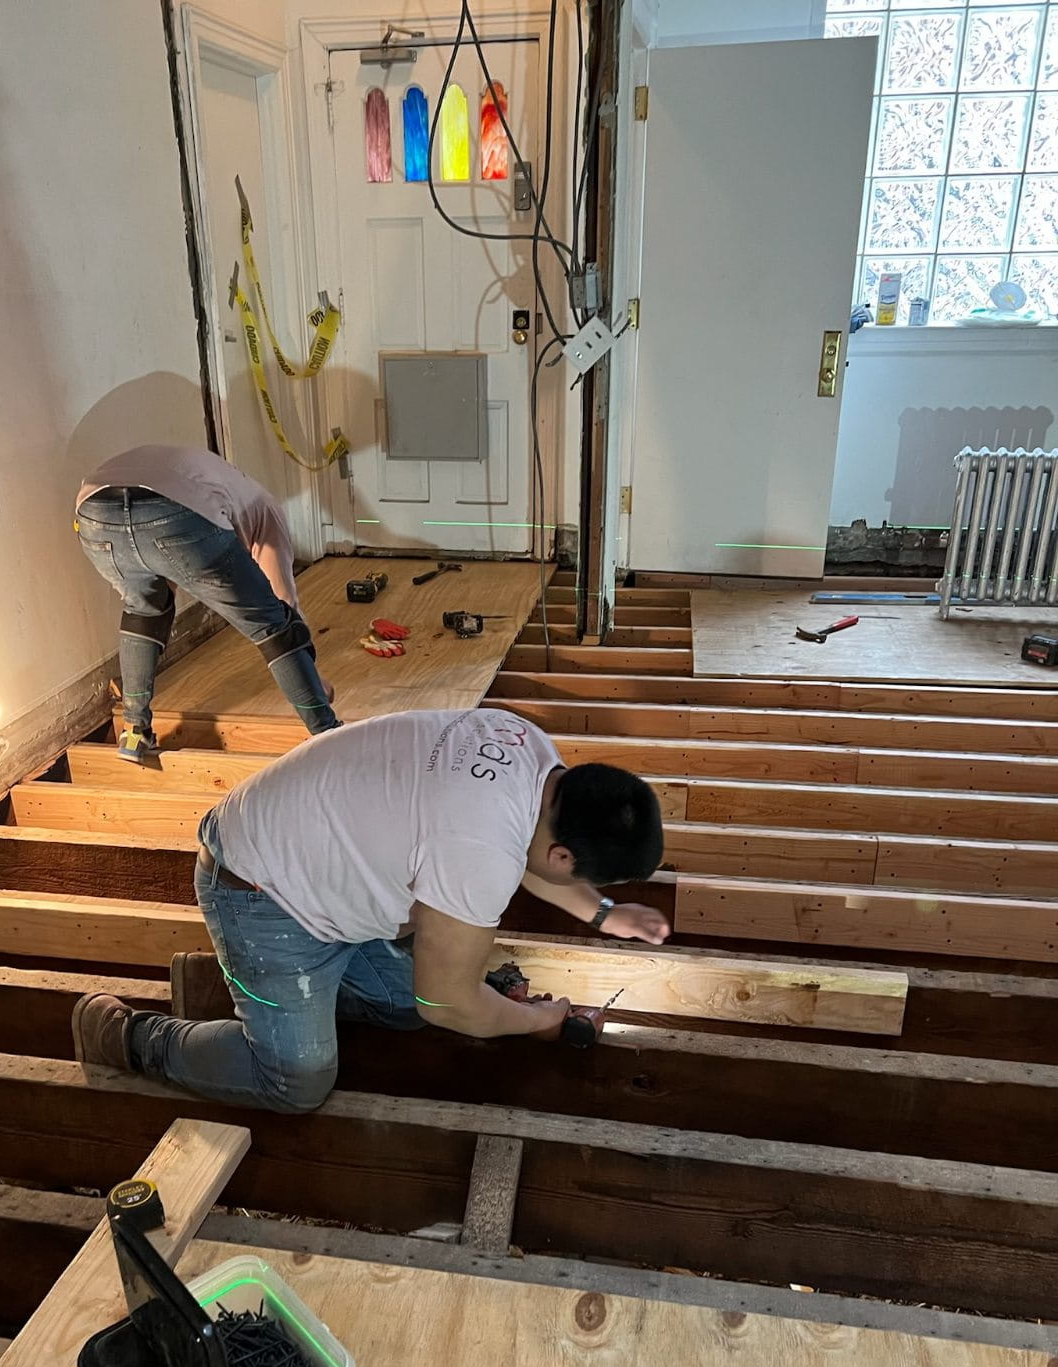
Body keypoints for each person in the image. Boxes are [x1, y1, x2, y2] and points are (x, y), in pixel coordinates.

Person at [72, 707, 667, 1112]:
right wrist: (534, 1020)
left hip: (320, 868)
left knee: (410, 1004)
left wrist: (605, 912)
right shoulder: (481, 848)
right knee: (299, 1082)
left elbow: (539, 859)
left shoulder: (529, 748)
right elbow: (448, 1002)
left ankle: (266, 995)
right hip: (260, 891)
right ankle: (133, 1038)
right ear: (563, 854)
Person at [74, 444, 340, 761]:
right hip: (176, 511)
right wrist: (311, 679)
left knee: (143, 611)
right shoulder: (266, 510)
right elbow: (282, 602)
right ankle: (329, 734)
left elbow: (161, 562)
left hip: (94, 513)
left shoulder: (219, 482)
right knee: (275, 624)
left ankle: (134, 732)